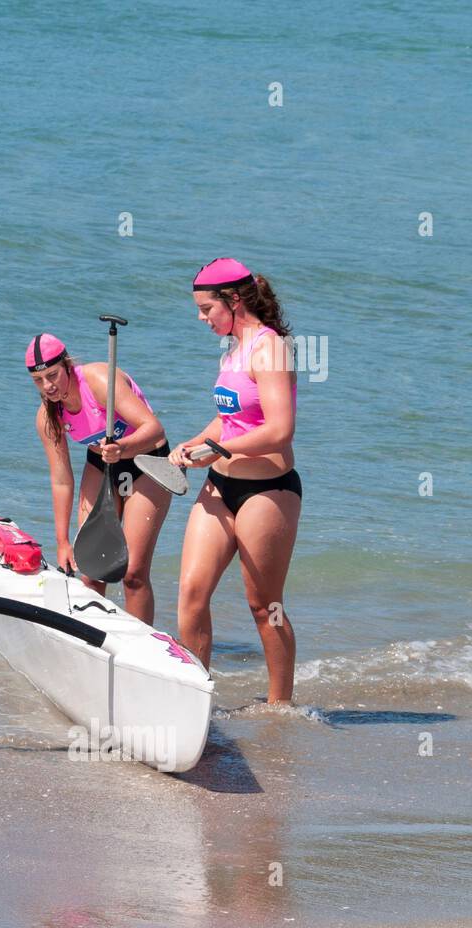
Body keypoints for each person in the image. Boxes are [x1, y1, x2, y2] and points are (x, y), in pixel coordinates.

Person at [170, 258, 301, 703]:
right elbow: (232, 418)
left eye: (207, 309)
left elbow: (280, 429)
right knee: (190, 593)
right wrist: (194, 443)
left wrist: (221, 449)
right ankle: (193, 699)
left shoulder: (271, 348)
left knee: (265, 607)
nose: (201, 318)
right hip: (218, 487)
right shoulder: (233, 348)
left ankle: (280, 706)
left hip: (268, 490)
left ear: (234, 299)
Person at [29, 332, 171, 623]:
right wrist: (62, 541)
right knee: (92, 569)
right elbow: (61, 480)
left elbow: (154, 429)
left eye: (53, 375)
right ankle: (94, 644)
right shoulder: (47, 417)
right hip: (102, 463)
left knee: (133, 574)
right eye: (39, 380)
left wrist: (123, 448)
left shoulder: (99, 382)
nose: (48, 386)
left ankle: (142, 650)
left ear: (68, 365)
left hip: (147, 461)